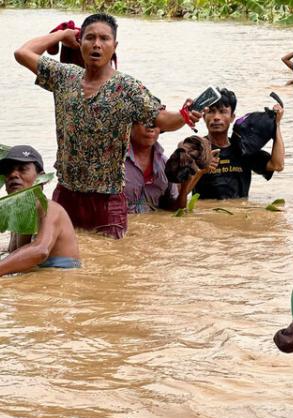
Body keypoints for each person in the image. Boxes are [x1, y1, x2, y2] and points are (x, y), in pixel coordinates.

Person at [13, 13, 202, 239]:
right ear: (80, 42)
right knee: (60, 264)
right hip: (66, 194)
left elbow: (162, 120)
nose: (96, 45)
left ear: (115, 46)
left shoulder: (127, 88)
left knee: (111, 266)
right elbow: (22, 53)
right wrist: (62, 35)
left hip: (107, 199)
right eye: (89, 38)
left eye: (104, 39)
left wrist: (185, 115)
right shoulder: (65, 77)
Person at [0, 145, 80, 276]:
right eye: (8, 171)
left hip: (60, 283)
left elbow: (40, 250)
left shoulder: (49, 208)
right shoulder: (20, 213)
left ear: (41, 178)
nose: (13, 175)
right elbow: (13, 252)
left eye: (22, 169)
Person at [192, 88, 285, 200]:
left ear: (232, 117)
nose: (216, 117)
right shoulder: (196, 148)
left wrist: (277, 124)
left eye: (222, 111)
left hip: (240, 214)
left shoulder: (243, 149)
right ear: (203, 116)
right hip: (203, 216)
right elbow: (179, 187)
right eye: (211, 111)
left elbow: (277, 165)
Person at [124, 124, 218, 213]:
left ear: (160, 128)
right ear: (130, 125)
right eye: (143, 121)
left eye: (155, 123)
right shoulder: (116, 162)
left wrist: (188, 180)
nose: (150, 127)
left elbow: (175, 208)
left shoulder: (164, 163)